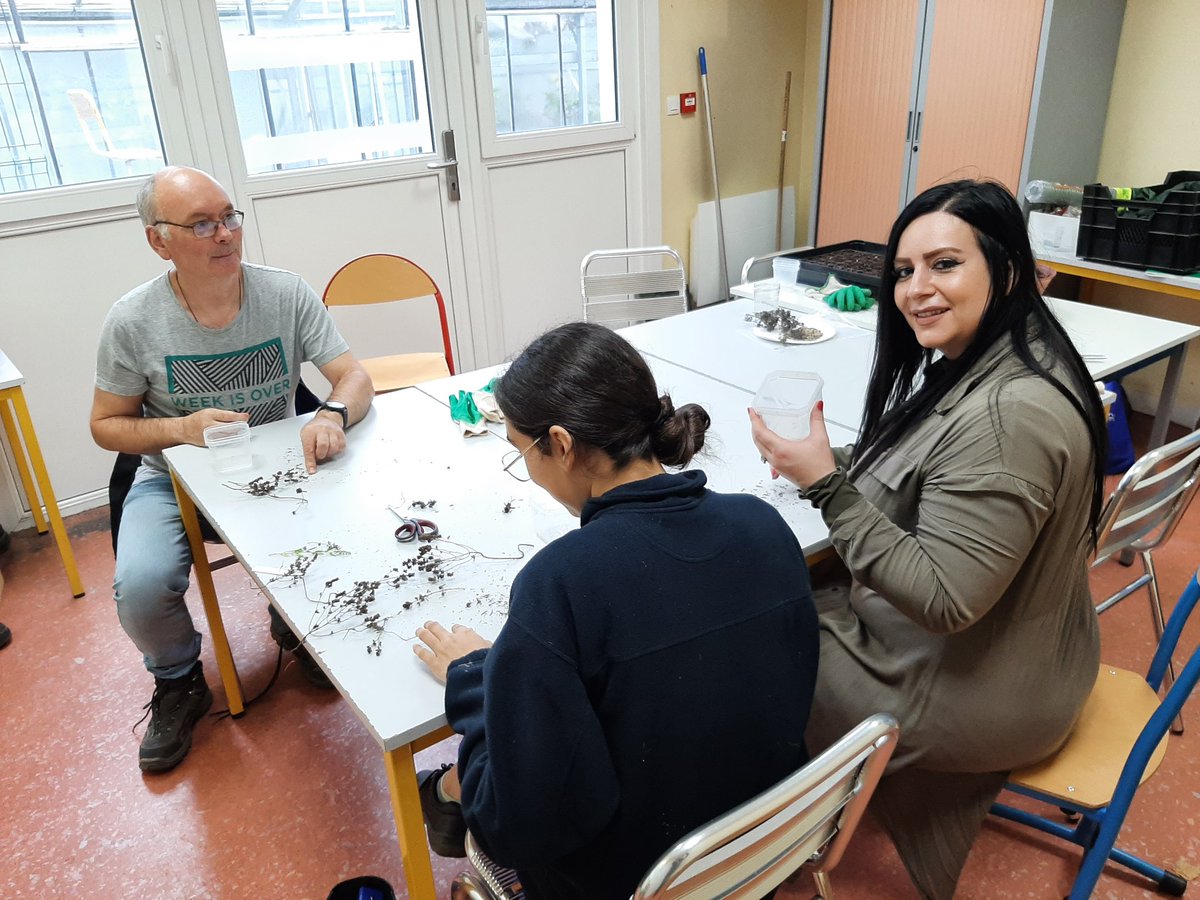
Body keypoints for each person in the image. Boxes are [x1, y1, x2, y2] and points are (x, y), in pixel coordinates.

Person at [749, 180, 1106, 899]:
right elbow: (937, 469)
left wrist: (826, 485)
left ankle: (762, 828)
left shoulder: (1013, 416)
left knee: (748, 631)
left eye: (944, 265)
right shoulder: (1011, 351)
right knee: (788, 582)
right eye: (904, 271)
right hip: (1035, 653)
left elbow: (946, 600)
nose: (916, 290)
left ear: (1004, 271)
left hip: (990, 691)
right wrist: (838, 465)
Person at [412, 322, 820, 898]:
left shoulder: (560, 583)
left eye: (520, 453)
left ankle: (443, 796)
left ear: (559, 443)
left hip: (635, 879)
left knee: (475, 797)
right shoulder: (764, 525)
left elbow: (519, 827)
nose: (527, 473)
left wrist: (479, 674)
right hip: (757, 855)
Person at [90, 167, 373, 774]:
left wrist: (330, 415)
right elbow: (106, 425)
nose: (224, 235)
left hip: (279, 468)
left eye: (228, 217)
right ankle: (178, 680)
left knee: (355, 530)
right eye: (201, 224)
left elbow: (354, 376)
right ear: (158, 240)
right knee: (140, 587)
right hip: (173, 481)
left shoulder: (284, 293)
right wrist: (182, 429)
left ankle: (293, 619)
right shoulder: (133, 319)